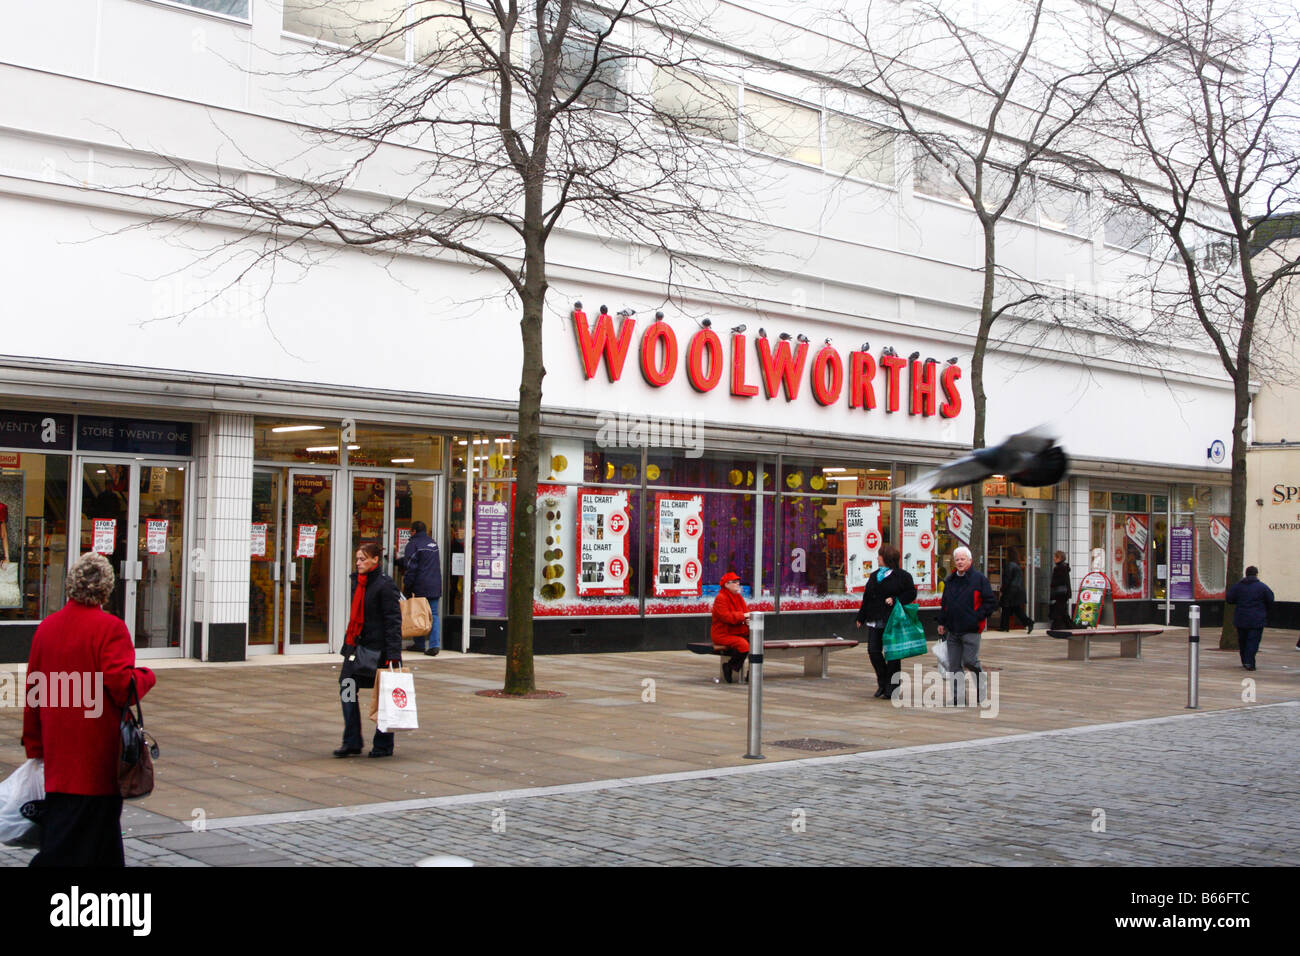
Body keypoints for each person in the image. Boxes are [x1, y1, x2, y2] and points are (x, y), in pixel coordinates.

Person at [21, 552, 156, 867]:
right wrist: (147, 677)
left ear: (70, 586)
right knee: (85, 844)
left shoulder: (46, 628)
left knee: (79, 839)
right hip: (97, 760)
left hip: (59, 758)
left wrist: (35, 745)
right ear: (106, 589)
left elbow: (34, 691)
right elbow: (123, 685)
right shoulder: (110, 628)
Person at [336, 541, 403, 758]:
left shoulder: (385, 585)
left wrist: (394, 656)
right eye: (357, 559)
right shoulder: (359, 583)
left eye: (363, 558)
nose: (358, 563)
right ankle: (352, 740)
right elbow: (356, 618)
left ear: (375, 559)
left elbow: (393, 622)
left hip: (380, 651)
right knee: (346, 687)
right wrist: (348, 647)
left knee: (384, 696)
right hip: (357, 648)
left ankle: (383, 744)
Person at [855, 543, 917, 699]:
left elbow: (911, 593)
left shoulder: (902, 576)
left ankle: (892, 686)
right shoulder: (874, 575)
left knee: (893, 654)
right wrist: (861, 617)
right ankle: (883, 681)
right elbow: (867, 597)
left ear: (887, 558)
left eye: (880, 555)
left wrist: (896, 599)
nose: (877, 558)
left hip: (892, 620)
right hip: (875, 619)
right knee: (873, 651)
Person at [937, 545, 996, 702]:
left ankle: (980, 683)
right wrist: (942, 622)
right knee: (954, 665)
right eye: (957, 559)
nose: (960, 562)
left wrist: (977, 617)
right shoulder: (950, 580)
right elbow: (945, 603)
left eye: (963, 559)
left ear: (970, 560)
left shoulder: (979, 579)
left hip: (971, 629)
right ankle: (958, 696)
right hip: (953, 629)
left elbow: (990, 602)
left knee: (970, 660)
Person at [401, 520, 443, 656]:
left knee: (417, 612)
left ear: (413, 531)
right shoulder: (433, 543)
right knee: (434, 615)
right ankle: (434, 645)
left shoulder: (413, 544)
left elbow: (410, 568)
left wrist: (407, 586)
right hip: (435, 584)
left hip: (421, 585)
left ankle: (419, 644)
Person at [1225, 565, 1273, 671]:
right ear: (1256, 574)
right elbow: (1270, 599)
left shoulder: (1238, 586)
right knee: (1253, 641)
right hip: (1257, 619)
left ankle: (1244, 660)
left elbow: (1229, 599)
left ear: (1246, 574)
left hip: (1241, 618)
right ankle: (1249, 662)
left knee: (1243, 640)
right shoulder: (1262, 587)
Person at [711, 571, 750, 683]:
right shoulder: (721, 598)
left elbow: (746, 612)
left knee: (756, 643)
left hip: (737, 631)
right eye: (734, 582)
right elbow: (726, 617)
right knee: (743, 645)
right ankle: (730, 667)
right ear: (726, 584)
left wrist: (747, 620)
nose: (737, 584)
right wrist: (744, 616)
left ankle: (751, 672)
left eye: (738, 581)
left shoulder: (738, 597)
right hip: (722, 634)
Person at [997, 550, 1033, 633]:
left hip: (1011, 590)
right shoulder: (1017, 565)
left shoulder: (1009, 565)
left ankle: (1004, 626)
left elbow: (1007, 579)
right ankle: (1027, 622)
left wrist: (1003, 589)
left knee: (1007, 607)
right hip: (1017, 591)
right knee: (1014, 609)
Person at [1049, 551, 1072, 630]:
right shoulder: (1064, 567)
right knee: (1063, 611)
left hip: (1061, 593)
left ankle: (1056, 626)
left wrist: (1053, 584)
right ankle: (1070, 625)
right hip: (1064, 593)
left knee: (1058, 610)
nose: (1054, 558)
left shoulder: (1059, 568)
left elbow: (1061, 580)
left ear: (1060, 558)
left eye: (1056, 557)